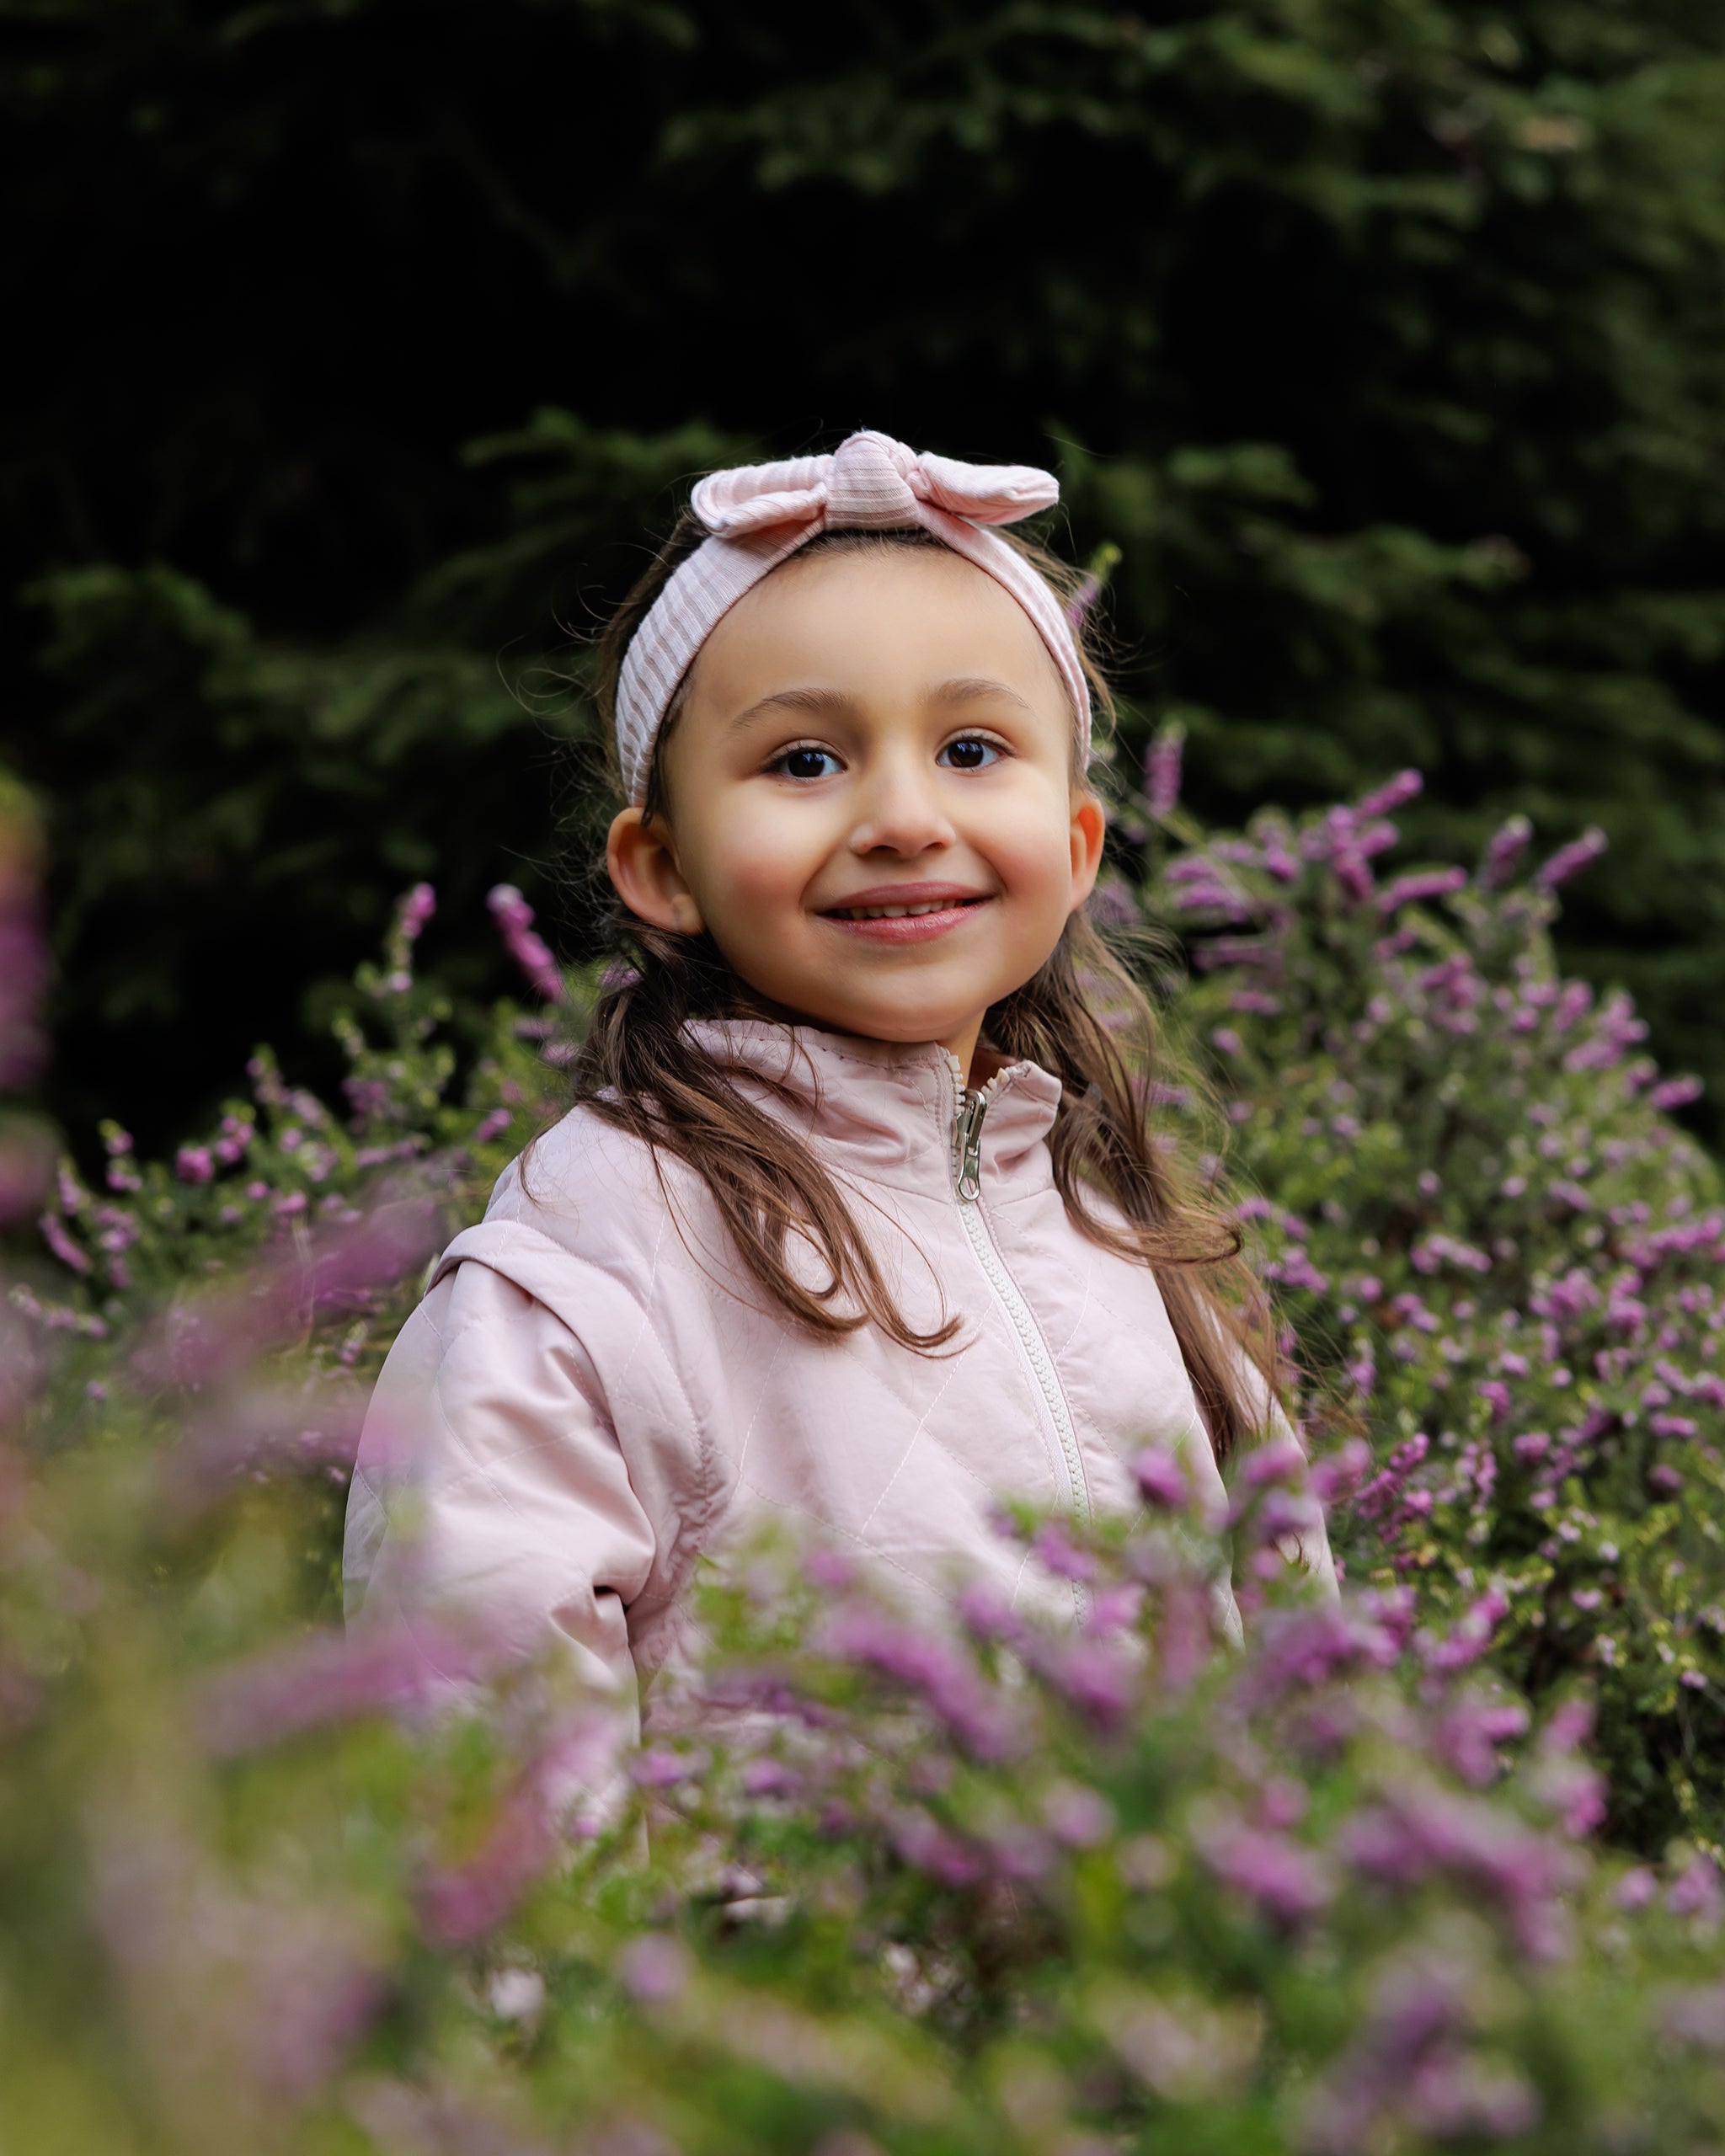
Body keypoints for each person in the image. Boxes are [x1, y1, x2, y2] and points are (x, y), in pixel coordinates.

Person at [344, 428, 1337, 1756]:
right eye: (805, 762)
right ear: (663, 864)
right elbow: (480, 1769)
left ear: (1080, 840)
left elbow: (1298, 1675)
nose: (904, 817)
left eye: (974, 749)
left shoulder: (1120, 1226)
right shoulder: (587, 1269)